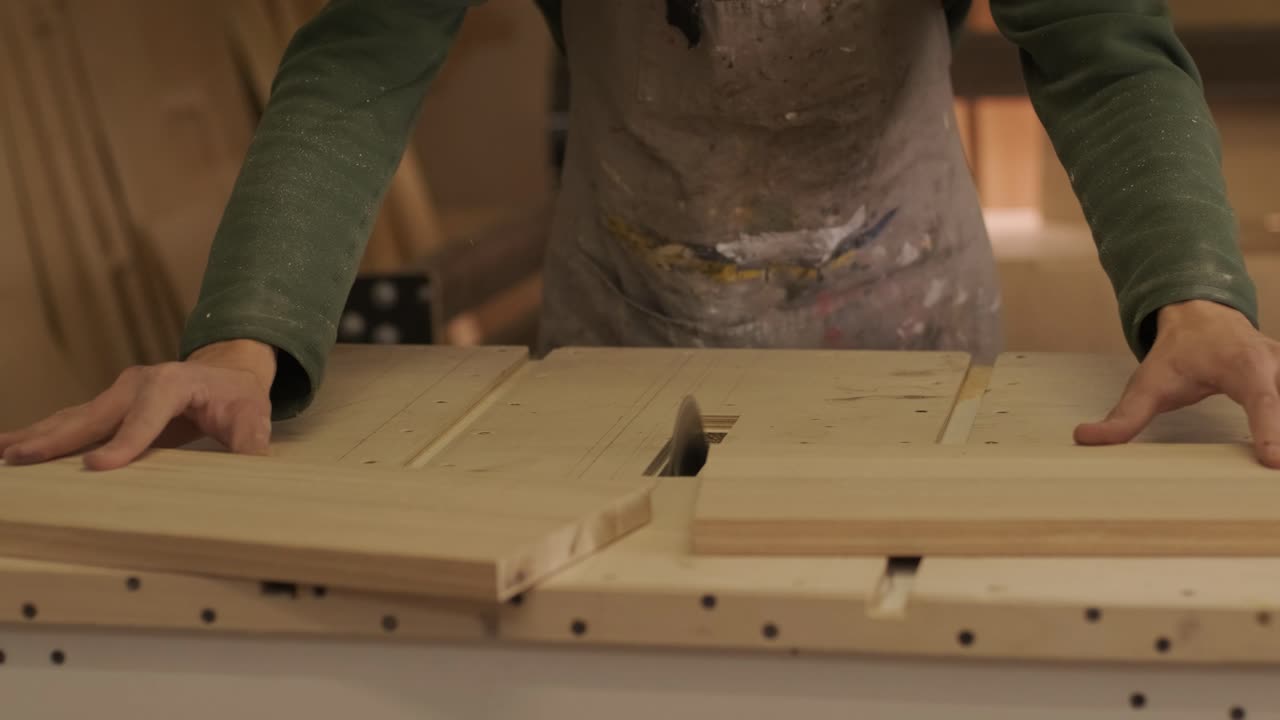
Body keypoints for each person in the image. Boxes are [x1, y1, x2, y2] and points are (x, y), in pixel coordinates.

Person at [3, 0, 1278, 470]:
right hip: (623, 311)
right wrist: (242, 342)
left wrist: (1196, 295)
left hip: (909, 305)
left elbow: (1104, 53)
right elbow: (362, 59)